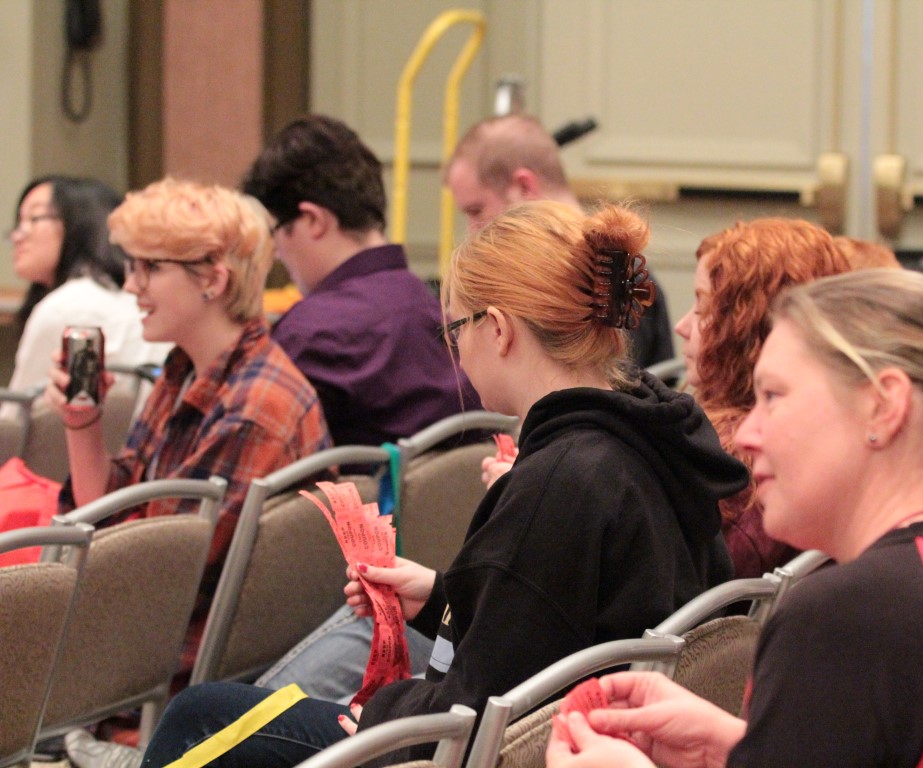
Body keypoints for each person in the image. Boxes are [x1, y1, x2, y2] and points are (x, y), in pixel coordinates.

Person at [135, 200, 747, 768]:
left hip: (478, 749)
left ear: (499, 330)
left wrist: (383, 712)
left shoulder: (559, 480)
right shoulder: (651, 441)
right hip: (585, 734)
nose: (456, 352)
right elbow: (551, 623)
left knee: (198, 716)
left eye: (456, 331)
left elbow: (476, 709)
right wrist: (437, 599)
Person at [546, 268, 923, 767]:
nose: (747, 433)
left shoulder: (853, 615)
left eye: (773, 396)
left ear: (882, 406)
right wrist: (744, 750)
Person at [47, 177, 331, 686]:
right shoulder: (186, 368)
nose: (131, 286)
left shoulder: (254, 409)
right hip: (136, 643)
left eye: (151, 268)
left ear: (213, 281)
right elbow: (109, 515)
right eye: (132, 265)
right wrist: (81, 423)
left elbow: (151, 582)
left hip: (154, 676)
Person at [242, 114, 479, 447]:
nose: (277, 253)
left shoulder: (308, 336)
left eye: (274, 232)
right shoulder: (440, 308)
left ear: (313, 220)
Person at [675, 218, 851, 577]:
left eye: (702, 308)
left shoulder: (730, 464)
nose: (683, 326)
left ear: (745, 328)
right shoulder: (827, 441)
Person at [444, 113, 674, 369]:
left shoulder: (602, 281)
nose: (471, 231)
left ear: (524, 187)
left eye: (476, 211)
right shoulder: (622, 273)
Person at [5, 176, 168, 404]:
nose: (17, 235)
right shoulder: (119, 296)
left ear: (80, 224)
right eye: (19, 222)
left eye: (34, 218)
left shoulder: (65, 306)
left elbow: (14, 416)